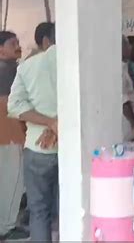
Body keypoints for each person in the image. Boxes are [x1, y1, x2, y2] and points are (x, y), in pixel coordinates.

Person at [8, 22, 58, 242]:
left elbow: (15, 106)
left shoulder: (27, 67)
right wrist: (58, 123)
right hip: (72, 148)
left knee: (39, 213)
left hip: (37, 149)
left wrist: (49, 122)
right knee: (72, 208)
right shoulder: (79, 63)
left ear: (46, 41)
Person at [0, 31, 29, 240]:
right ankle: (7, 227)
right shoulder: (10, 69)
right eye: (12, 43)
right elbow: (12, 105)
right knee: (12, 181)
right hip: (9, 133)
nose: (17, 46)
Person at [121, 35, 134, 142]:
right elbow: (124, 100)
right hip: (128, 124)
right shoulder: (118, 70)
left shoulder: (125, 67)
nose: (130, 47)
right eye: (127, 44)